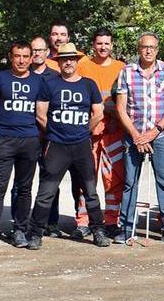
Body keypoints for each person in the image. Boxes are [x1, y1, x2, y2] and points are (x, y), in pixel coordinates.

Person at [27, 43, 111, 249]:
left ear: (77, 60)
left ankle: (98, 231)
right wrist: (56, 132)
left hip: (82, 146)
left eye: (72, 59)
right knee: (46, 192)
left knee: (90, 191)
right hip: (56, 146)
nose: (69, 62)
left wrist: (85, 130)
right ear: (59, 61)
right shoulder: (50, 84)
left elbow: (98, 113)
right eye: (64, 59)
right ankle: (36, 233)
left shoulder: (88, 85)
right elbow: (40, 114)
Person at [115, 33, 164, 245]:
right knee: (130, 182)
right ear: (139, 49)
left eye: (152, 47)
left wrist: (154, 132)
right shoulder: (126, 72)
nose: (148, 51)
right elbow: (120, 107)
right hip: (133, 135)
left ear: (158, 49)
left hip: (160, 135)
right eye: (144, 47)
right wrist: (137, 136)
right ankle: (126, 228)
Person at [0, 41, 43, 251]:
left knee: (24, 189)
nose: (22, 60)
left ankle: (19, 230)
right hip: (5, 139)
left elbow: (43, 113)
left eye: (26, 56)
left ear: (31, 57)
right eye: (18, 56)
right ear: (11, 56)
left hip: (30, 140)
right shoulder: (1, 78)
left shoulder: (39, 81)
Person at [76, 27, 127, 238]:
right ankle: (83, 221)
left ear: (112, 45)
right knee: (86, 179)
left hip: (114, 133)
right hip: (88, 133)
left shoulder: (121, 68)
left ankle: (111, 221)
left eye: (107, 43)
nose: (103, 47)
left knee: (114, 180)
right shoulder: (83, 66)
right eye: (99, 43)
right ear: (93, 45)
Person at [40, 23, 71, 236]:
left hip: (63, 134)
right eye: (54, 34)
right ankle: (23, 222)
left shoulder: (75, 62)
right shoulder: (41, 60)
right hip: (39, 131)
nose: (58, 38)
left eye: (62, 34)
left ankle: (53, 223)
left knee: (55, 179)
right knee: (35, 181)